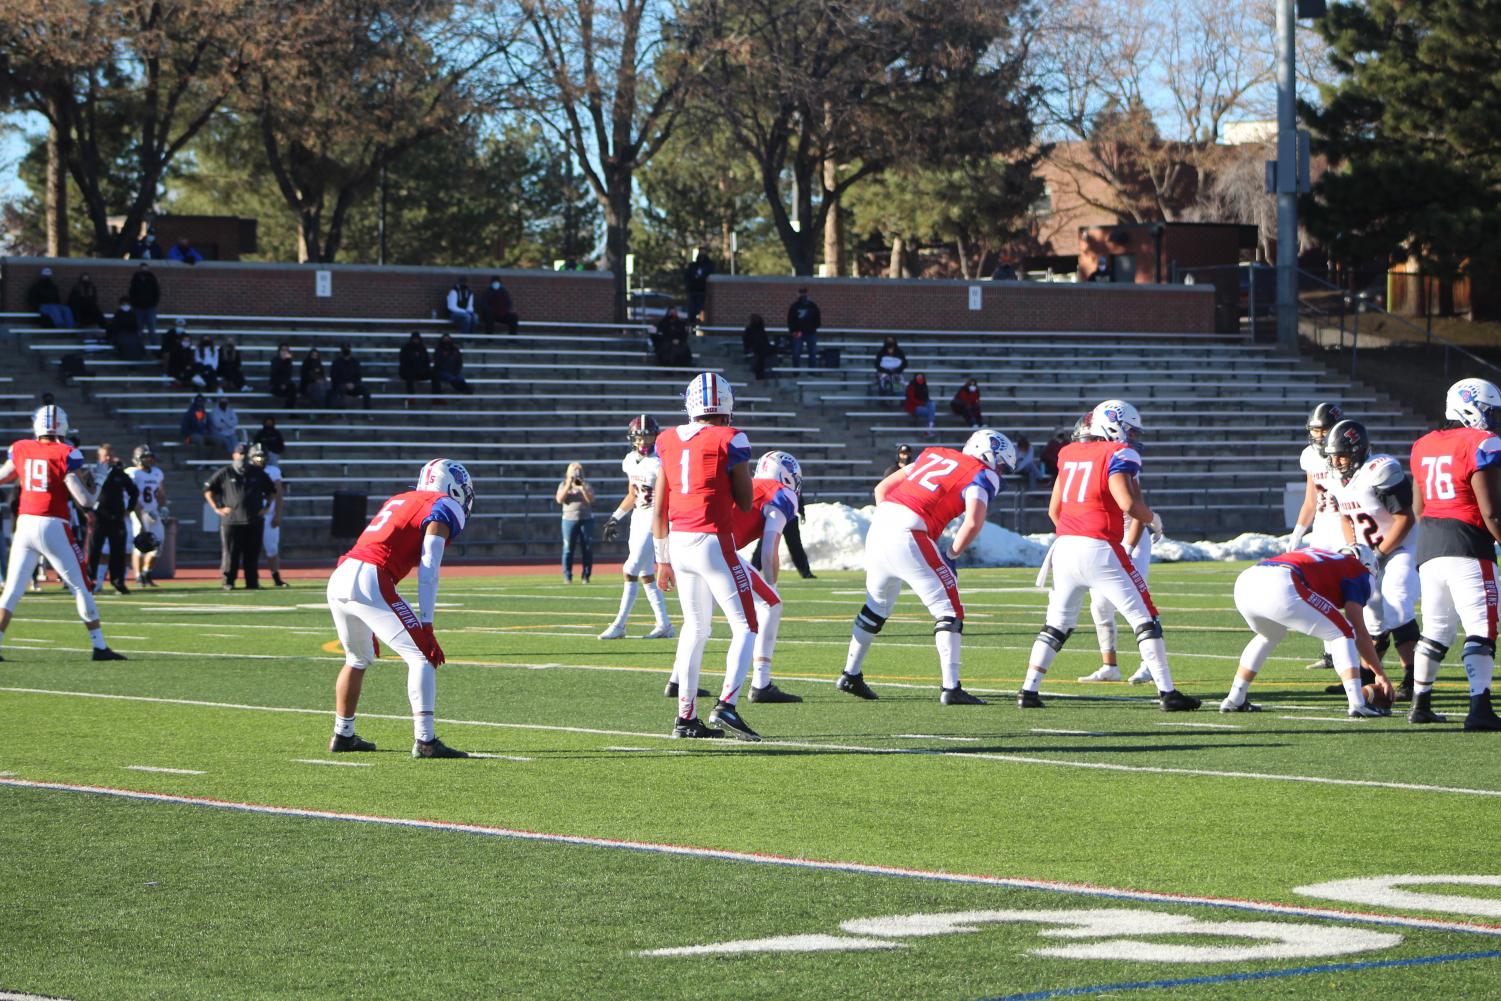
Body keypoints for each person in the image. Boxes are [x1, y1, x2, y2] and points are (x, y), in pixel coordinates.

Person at [1020, 400, 1201, 711]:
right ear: (1112, 424)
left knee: (1057, 624)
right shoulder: (1117, 454)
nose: (1130, 436)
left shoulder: (1068, 453)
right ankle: (1168, 693)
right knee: (1145, 618)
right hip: (1100, 546)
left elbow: (1055, 509)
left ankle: (1029, 690)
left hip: (1064, 547)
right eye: (1128, 429)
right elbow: (1128, 503)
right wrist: (1154, 519)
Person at [837, 429, 1015, 704]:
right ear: (988, 455)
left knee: (876, 608)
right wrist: (952, 554)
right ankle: (951, 688)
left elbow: (881, 488)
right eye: (1000, 464)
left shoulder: (934, 454)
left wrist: (892, 520)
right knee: (949, 610)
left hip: (881, 524)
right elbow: (973, 521)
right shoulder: (982, 472)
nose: (1000, 471)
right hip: (909, 531)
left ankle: (850, 673)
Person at [325, 458, 475, 758]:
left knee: (356, 658)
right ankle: (425, 740)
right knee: (421, 654)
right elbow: (429, 567)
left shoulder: (400, 498)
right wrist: (427, 624)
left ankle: (343, 734)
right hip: (370, 576)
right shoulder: (443, 504)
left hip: (341, 574)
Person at [652, 372, 762, 740]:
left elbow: (659, 506)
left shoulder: (666, 439)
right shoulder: (731, 437)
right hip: (713, 539)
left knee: (695, 628)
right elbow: (746, 501)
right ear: (727, 406)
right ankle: (727, 705)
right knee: (746, 626)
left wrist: (661, 558)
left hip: (678, 542)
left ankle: (685, 718)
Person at [1407, 378, 1501, 730]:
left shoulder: (1422, 444)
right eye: (1490, 410)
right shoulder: (1482, 442)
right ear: (1472, 407)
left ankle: (1421, 703)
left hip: (1430, 545)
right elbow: (1491, 511)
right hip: (1469, 544)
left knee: (1436, 628)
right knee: (1482, 627)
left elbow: (1419, 507)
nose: (1493, 418)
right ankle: (1479, 709)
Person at [0, 405, 125, 661]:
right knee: (81, 587)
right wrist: (99, 479)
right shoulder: (66, 452)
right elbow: (86, 501)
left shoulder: (21, 448)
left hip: (24, 524)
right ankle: (99, 646)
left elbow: (4, 476)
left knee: (11, 590)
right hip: (53, 524)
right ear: (63, 426)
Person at [1219, 545, 1392, 717]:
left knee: (1270, 634)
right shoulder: (1358, 570)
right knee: (1343, 632)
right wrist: (1379, 674)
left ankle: (1235, 698)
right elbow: (1360, 632)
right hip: (1280, 582)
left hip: (1247, 580)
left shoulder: (1325, 556)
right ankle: (1357, 704)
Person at [1324, 419, 1420, 700]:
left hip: (1401, 547)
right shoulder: (1336, 478)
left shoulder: (1380, 469)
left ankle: (1414, 678)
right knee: (1371, 616)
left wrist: (1379, 553)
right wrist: (1354, 547)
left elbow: (1405, 518)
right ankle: (1367, 676)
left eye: (1342, 454)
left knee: (1398, 604)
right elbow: (1345, 515)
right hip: (1370, 553)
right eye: (1333, 456)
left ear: (1358, 451)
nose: (1337, 461)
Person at [1070, 416, 1165, 685]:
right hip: (1103, 542)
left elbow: (1135, 512)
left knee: (1135, 603)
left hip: (1127, 540)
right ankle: (1109, 666)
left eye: (1092, 440)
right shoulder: (1088, 462)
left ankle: (1150, 663)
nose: (1087, 445)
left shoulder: (1121, 459)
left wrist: (1126, 547)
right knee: (1099, 606)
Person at [721, 450, 803, 703]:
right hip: (719, 551)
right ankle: (761, 682)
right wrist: (772, 586)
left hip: (692, 545)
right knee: (772, 604)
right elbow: (769, 550)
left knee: (698, 623)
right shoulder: (781, 492)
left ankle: (678, 681)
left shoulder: (752, 485)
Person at [598, 416, 674, 641]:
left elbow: (666, 497)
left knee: (629, 569)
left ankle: (619, 624)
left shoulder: (660, 462)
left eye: (648, 435)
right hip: (638, 517)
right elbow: (633, 494)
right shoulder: (630, 460)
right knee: (644, 573)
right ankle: (664, 625)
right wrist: (615, 517)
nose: (643, 440)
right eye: (639, 436)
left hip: (654, 516)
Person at [1289, 402, 1352, 674]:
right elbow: (1311, 499)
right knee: (1321, 593)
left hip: (1348, 527)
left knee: (1356, 594)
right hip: (1323, 530)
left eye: (1323, 430)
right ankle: (1331, 653)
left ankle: (1367, 647)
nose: (1318, 436)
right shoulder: (1310, 456)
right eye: (1314, 430)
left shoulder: (1347, 451)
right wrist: (1298, 532)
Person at [203, 443, 273, 590]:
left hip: (253, 519)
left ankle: (252, 582)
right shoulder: (225, 472)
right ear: (234, 455)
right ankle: (228, 581)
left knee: (252, 553)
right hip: (231, 521)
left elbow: (271, 490)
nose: (242, 457)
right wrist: (217, 508)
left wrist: (266, 507)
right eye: (239, 454)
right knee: (231, 553)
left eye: (244, 454)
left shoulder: (257, 472)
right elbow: (208, 490)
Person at [85, 443, 138, 595]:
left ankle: (118, 582)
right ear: (98, 456)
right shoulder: (92, 473)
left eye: (110, 454)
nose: (107, 458)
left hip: (116, 518)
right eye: (104, 454)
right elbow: (79, 492)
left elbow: (133, 491)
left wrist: (129, 509)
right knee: (94, 550)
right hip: (98, 518)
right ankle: (90, 580)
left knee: (118, 552)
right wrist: (86, 511)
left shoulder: (119, 473)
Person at [249, 443, 289, 589]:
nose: (260, 459)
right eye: (257, 456)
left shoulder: (273, 471)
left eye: (262, 456)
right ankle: (252, 579)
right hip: (251, 515)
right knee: (251, 549)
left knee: (271, 548)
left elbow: (278, 495)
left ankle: (276, 577)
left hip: (268, 515)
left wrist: (277, 514)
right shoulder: (247, 471)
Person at [126, 445, 167, 588]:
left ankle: (146, 573)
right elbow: (131, 494)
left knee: (157, 543)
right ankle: (138, 577)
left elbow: (161, 492)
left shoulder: (156, 473)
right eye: (145, 457)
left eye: (150, 456)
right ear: (138, 458)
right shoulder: (132, 473)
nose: (149, 459)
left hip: (154, 513)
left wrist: (164, 507)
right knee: (140, 545)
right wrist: (139, 510)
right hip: (138, 513)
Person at [556, 462, 595, 583]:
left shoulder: (586, 484)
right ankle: (567, 576)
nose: (576, 473)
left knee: (587, 548)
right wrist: (569, 484)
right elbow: (559, 499)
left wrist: (582, 488)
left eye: (578, 470)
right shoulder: (563, 484)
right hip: (569, 519)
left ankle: (586, 576)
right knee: (568, 548)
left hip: (586, 519)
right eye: (574, 470)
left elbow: (591, 500)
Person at [786, 287, 821, 369]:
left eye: (804, 293)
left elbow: (817, 319)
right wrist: (794, 331)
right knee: (796, 353)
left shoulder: (813, 306)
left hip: (810, 333)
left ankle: (812, 372)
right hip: (798, 333)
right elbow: (790, 320)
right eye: (801, 293)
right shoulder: (794, 306)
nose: (803, 295)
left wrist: (813, 328)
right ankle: (796, 372)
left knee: (812, 353)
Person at [329, 343, 371, 407]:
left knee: (365, 390)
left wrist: (354, 384)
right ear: (341, 350)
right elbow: (334, 377)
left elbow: (358, 376)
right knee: (340, 390)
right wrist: (345, 384)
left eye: (348, 348)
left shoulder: (355, 362)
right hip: (341, 386)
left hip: (354, 386)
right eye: (344, 348)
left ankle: (367, 413)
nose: (346, 350)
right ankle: (342, 413)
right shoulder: (336, 363)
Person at [128, 261, 160, 342]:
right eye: (142, 268)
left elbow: (156, 292)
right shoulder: (135, 278)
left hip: (150, 307)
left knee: (152, 328)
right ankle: (138, 348)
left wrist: (154, 303)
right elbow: (132, 292)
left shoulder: (152, 278)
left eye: (145, 268)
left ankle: (154, 348)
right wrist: (134, 304)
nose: (144, 269)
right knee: (139, 328)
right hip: (138, 307)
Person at [399, 331, 432, 399]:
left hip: (421, 372)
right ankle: (411, 397)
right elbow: (403, 361)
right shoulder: (406, 348)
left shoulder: (423, 349)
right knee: (409, 375)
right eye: (414, 339)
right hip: (408, 372)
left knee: (435, 374)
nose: (416, 340)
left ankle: (437, 398)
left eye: (417, 339)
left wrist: (424, 369)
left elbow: (427, 361)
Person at [684, 249, 714, 324]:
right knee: (692, 309)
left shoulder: (709, 265)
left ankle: (701, 323)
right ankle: (692, 323)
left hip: (703, 291)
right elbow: (687, 277)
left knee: (701, 309)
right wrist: (689, 286)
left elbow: (710, 275)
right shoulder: (693, 266)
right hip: (693, 291)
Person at [742, 313, 773, 380]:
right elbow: (747, 341)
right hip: (754, 349)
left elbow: (765, 340)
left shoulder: (761, 329)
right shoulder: (749, 330)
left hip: (761, 349)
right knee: (759, 357)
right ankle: (759, 374)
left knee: (762, 355)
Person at [269, 342, 297, 409]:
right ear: (279, 351)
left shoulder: (288, 361)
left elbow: (288, 374)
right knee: (292, 390)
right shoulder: (275, 360)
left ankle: (289, 408)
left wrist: (287, 360)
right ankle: (289, 409)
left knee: (292, 388)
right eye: (283, 350)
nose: (285, 352)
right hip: (276, 385)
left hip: (286, 385)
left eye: (286, 350)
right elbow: (274, 373)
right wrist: (281, 383)